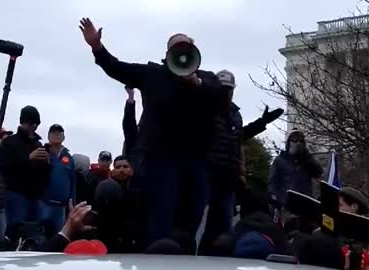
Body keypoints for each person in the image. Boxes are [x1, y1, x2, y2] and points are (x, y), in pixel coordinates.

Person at [79, 18, 225, 245]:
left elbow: (222, 103)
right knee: (161, 217)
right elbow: (116, 67)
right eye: (176, 48)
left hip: (196, 159)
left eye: (186, 47)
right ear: (167, 53)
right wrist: (97, 47)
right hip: (161, 160)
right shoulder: (152, 74)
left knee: (192, 215)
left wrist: (196, 83)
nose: (181, 52)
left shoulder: (206, 79)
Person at [198, 70, 283, 255]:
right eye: (222, 88)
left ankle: (218, 257)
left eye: (229, 88)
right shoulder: (205, 109)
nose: (226, 92)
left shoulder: (235, 114)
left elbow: (239, 138)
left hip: (229, 177)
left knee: (223, 223)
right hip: (208, 173)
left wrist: (261, 123)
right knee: (199, 221)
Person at [0, 105, 50, 236]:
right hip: (16, 194)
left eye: (36, 124)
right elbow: (5, 168)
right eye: (30, 123)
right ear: (22, 122)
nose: (33, 126)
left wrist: (46, 163)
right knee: (16, 231)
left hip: (36, 196)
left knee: (35, 234)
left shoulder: (38, 144)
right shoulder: (9, 142)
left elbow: (44, 174)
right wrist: (29, 158)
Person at [268, 128, 323, 208]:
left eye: (300, 141)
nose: (297, 143)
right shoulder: (280, 160)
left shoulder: (306, 159)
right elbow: (272, 182)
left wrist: (307, 156)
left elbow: (318, 172)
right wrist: (277, 199)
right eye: (294, 140)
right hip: (287, 204)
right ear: (289, 143)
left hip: (306, 203)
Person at [41, 124, 76, 235]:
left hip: (61, 206)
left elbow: (72, 182)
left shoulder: (69, 158)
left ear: (64, 137)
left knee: (58, 236)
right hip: (43, 204)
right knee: (41, 235)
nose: (56, 135)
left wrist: (72, 204)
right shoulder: (42, 152)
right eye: (53, 132)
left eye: (59, 132)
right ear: (48, 136)